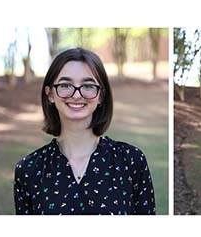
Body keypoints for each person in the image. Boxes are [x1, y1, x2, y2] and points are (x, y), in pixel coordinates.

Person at [14, 47, 155, 214]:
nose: (76, 95)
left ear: (101, 95)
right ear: (50, 94)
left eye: (88, 85)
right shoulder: (29, 169)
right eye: (66, 85)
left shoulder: (131, 160)